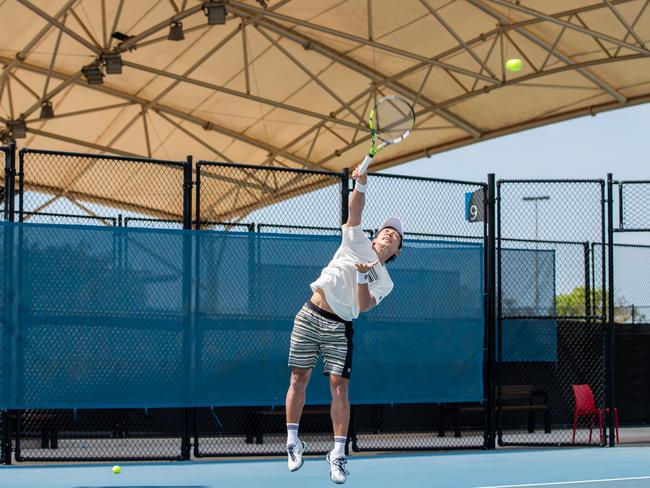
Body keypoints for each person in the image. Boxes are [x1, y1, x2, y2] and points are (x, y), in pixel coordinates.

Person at [284, 162, 404, 484]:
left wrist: (364, 276)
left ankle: (337, 454)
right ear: (377, 236)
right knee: (298, 379)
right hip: (310, 313)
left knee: (340, 389)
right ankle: (293, 441)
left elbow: (363, 306)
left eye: (395, 236)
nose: (389, 234)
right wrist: (361, 184)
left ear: (395, 250)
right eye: (386, 230)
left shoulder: (386, 282)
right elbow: (355, 208)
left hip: (340, 327)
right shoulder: (355, 240)